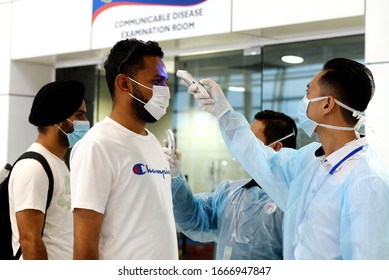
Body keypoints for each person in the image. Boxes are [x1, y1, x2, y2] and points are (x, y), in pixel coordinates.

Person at [186, 58, 389, 259]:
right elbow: (259, 157)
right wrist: (223, 113)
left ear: (327, 104)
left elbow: (369, 261)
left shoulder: (366, 182)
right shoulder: (309, 162)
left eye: (308, 93)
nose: (304, 101)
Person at [70, 38, 178, 260]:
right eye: (157, 81)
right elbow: (85, 246)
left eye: (166, 82)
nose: (164, 91)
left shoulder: (153, 144)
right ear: (124, 84)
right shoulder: (96, 146)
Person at [164, 110, 297, 260]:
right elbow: (193, 219)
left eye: (250, 141)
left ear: (276, 148)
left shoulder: (292, 201)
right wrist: (175, 176)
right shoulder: (231, 193)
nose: (242, 147)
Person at [9, 80, 89, 259]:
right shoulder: (33, 168)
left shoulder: (58, 163)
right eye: (79, 115)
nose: (86, 122)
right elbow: (30, 241)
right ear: (57, 120)